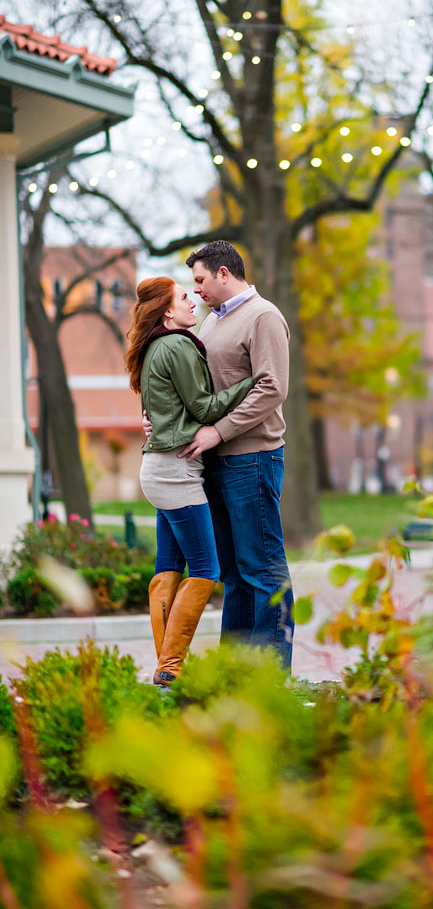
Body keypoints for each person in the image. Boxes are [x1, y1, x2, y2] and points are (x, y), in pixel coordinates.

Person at [126, 276, 254, 686]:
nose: (192, 300)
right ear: (166, 310)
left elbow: (163, 409)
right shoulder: (178, 344)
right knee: (205, 568)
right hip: (176, 472)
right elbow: (202, 407)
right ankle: (171, 667)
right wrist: (250, 383)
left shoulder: (155, 346)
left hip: (160, 469)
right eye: (184, 296)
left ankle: (166, 668)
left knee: (169, 566)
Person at [178, 240, 294, 670]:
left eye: (201, 280)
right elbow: (204, 391)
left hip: (253, 458)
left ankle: (271, 678)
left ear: (224, 273)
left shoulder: (263, 316)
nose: (197, 290)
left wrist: (219, 432)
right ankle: (236, 675)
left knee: (262, 570)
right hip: (216, 461)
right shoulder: (210, 323)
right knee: (234, 576)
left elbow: (272, 387)